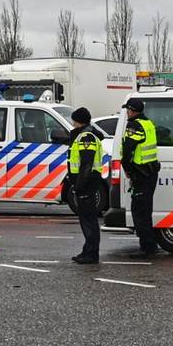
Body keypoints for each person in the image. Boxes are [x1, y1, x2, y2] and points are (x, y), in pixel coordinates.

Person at [65, 107, 105, 264]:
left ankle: (91, 254)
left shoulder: (86, 137)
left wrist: (79, 185)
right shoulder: (85, 135)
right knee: (87, 219)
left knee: (88, 220)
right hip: (87, 182)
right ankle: (88, 250)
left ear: (79, 120)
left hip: (87, 183)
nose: (72, 123)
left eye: (74, 120)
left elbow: (86, 164)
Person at [121, 98, 161, 257]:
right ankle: (149, 245)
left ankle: (147, 247)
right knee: (146, 210)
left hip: (141, 174)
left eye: (127, 110)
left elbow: (128, 151)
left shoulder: (134, 125)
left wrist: (128, 171)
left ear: (132, 110)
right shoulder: (148, 123)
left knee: (139, 212)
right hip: (150, 172)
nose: (127, 113)